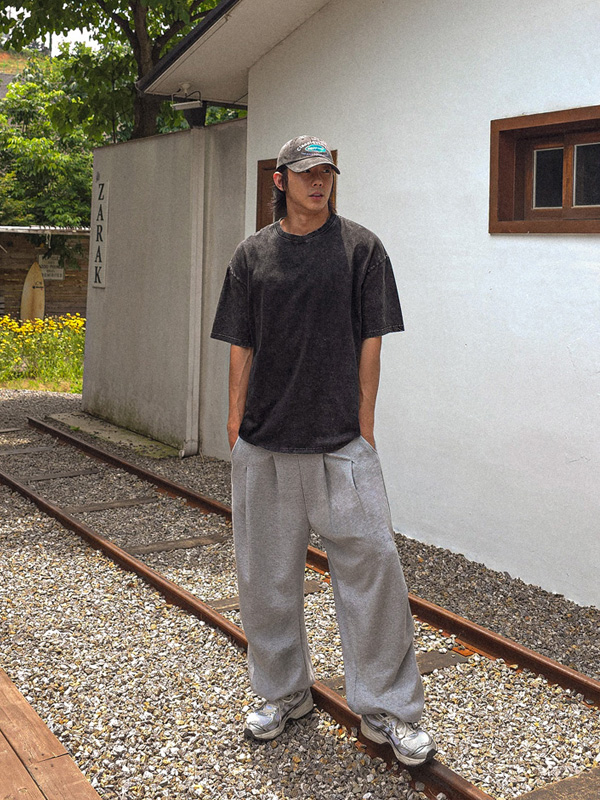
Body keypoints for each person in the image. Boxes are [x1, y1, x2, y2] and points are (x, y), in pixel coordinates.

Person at [211, 135, 436, 767]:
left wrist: (364, 422)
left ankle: (388, 709)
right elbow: (240, 341)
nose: (319, 183)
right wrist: (234, 418)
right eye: (307, 173)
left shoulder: (362, 249)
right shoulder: (253, 254)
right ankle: (283, 694)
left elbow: (372, 339)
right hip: (265, 442)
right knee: (265, 580)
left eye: (327, 173)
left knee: (375, 573)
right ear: (280, 180)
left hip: (341, 444)